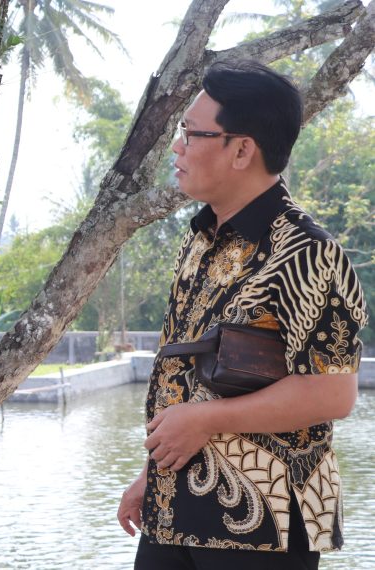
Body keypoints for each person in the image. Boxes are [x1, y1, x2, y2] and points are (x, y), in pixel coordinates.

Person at [116, 59, 368, 570]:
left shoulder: (307, 252)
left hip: (264, 525)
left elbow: (334, 392)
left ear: (242, 149)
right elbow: (184, 373)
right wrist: (153, 471)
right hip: (173, 506)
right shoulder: (198, 237)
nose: (177, 146)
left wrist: (205, 419)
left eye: (191, 132)